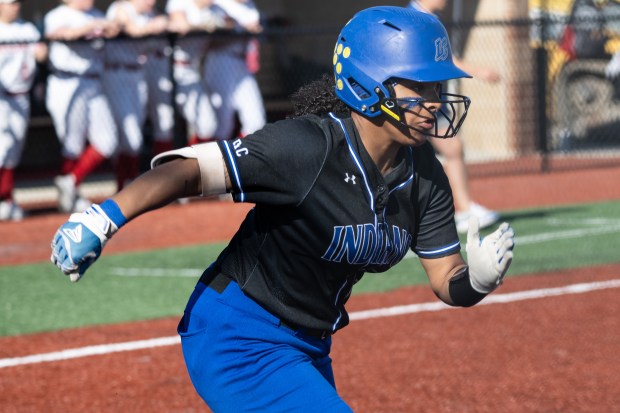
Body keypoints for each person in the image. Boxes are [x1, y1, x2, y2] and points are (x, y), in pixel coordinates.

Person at [50, 7, 515, 412]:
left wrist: (474, 281)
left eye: (436, 87)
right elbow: (188, 171)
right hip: (237, 335)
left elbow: (446, 281)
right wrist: (103, 216)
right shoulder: (308, 148)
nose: (434, 103)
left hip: (309, 345)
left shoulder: (424, 174)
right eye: (420, 87)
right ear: (370, 84)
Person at [407, 0, 500, 233]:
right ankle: (462, 210)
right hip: (418, 104)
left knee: (451, 149)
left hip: (430, 101)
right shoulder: (416, 20)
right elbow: (443, 61)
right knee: (443, 150)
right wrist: (479, 71)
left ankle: (464, 209)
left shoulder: (429, 19)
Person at [44, 0, 120, 213]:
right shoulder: (58, 14)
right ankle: (72, 194)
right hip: (67, 82)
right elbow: (62, 35)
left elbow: (114, 30)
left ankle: (70, 182)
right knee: (72, 144)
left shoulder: (95, 13)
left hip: (94, 81)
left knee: (108, 141)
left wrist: (109, 27)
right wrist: (93, 26)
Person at [104, 0, 171, 190]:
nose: (152, 2)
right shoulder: (120, 8)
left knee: (134, 137)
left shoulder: (149, 14)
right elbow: (134, 31)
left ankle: (127, 184)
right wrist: (155, 25)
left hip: (137, 74)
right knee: (129, 136)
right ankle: (124, 186)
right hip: (117, 74)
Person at [0, 0, 47, 221]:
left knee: (14, 152)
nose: (15, 7)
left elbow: (41, 55)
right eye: (10, 3)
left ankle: (7, 199)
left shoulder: (26, 28)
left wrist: (42, 49)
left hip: (21, 96)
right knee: (2, 148)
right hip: (2, 98)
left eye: (17, 3)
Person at [203, 0, 266, 140]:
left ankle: (245, 160)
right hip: (221, 60)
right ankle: (214, 160)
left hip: (243, 63)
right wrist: (242, 32)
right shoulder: (218, 5)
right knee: (222, 125)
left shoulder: (250, 6)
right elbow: (208, 44)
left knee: (256, 122)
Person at [166, 0, 223, 144]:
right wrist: (206, 27)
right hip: (170, 69)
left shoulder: (213, 10)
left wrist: (219, 26)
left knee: (207, 124)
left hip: (192, 70)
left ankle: (194, 163)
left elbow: (227, 26)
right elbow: (181, 26)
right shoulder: (180, 3)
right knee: (164, 127)